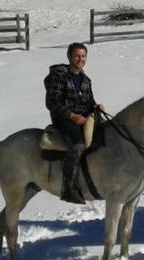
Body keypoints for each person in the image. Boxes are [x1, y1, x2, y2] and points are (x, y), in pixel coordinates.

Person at [44, 42, 105, 204]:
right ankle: (69, 188)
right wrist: (71, 115)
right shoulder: (58, 76)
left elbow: (89, 101)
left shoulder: (86, 79)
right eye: (77, 56)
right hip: (63, 120)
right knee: (78, 144)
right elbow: (52, 102)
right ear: (70, 57)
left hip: (84, 119)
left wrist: (96, 107)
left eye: (83, 56)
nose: (80, 59)